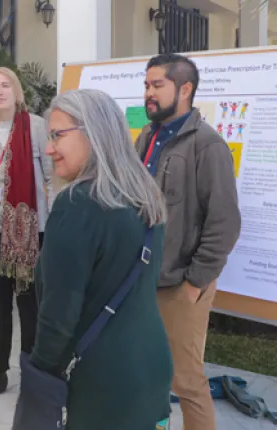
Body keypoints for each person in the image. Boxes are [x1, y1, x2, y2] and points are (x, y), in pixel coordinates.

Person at [12, 88, 173, 430]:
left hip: (100, 381)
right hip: (152, 366)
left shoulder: (77, 204)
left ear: (94, 132)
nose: (49, 148)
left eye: (57, 135)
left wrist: (38, 377)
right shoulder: (145, 196)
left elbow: (59, 314)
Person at [137, 53, 242, 430]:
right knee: (148, 371)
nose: (148, 93)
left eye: (156, 85)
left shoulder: (207, 145)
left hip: (181, 283)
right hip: (144, 277)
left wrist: (196, 282)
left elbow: (224, 223)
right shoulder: (148, 136)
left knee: (186, 381)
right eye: (146, 85)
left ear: (184, 89)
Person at [0, 66, 54, 403]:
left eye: (5, 86)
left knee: (29, 305)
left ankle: (31, 374)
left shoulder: (36, 127)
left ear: (17, 92)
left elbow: (51, 179)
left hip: (30, 235)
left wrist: (53, 227)